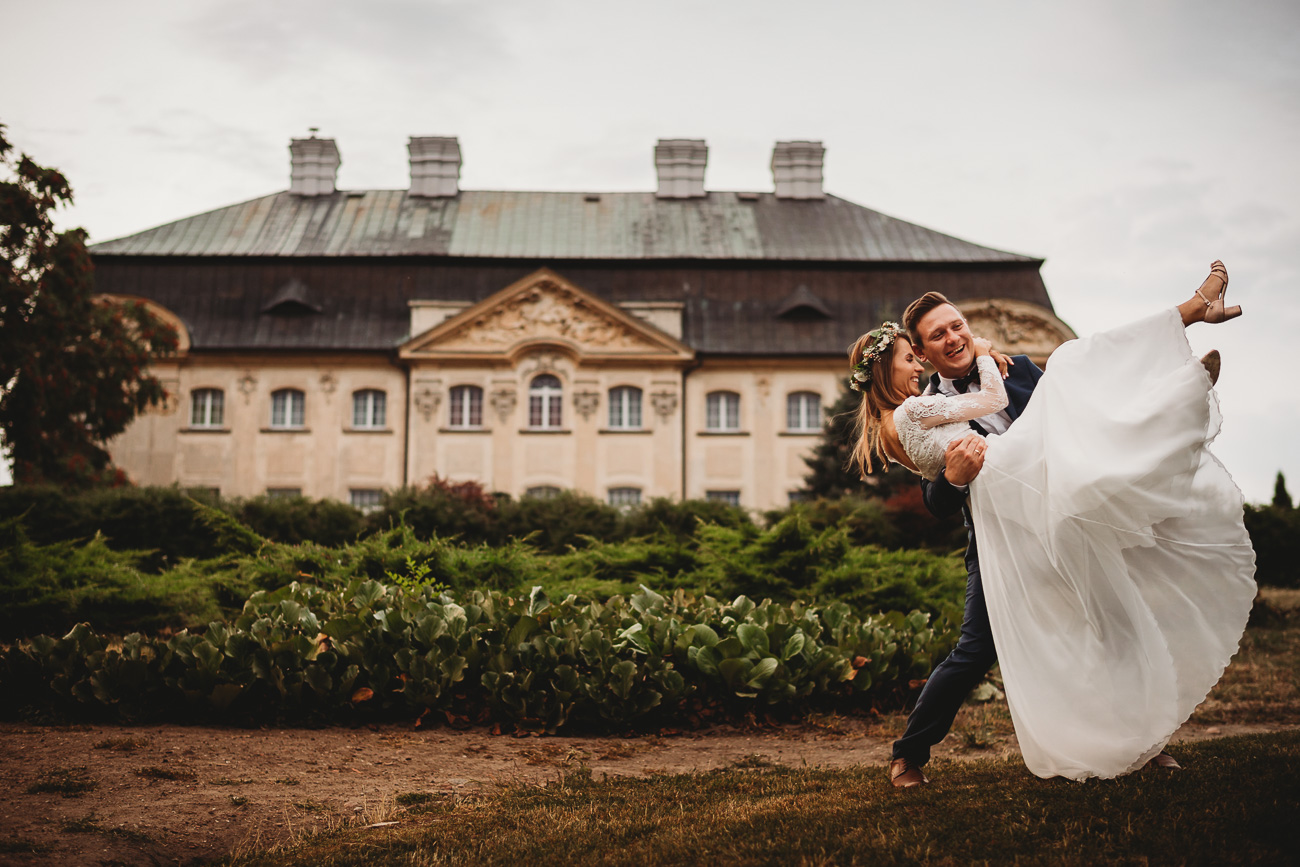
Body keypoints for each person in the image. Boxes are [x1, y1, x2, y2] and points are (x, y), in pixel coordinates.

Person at [846, 262, 1257, 784]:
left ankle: (1147, 746)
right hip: (1003, 542)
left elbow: (1081, 417)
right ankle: (909, 754)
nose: (953, 337)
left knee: (1118, 628)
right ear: (922, 353)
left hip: (1067, 517)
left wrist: (996, 361)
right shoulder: (925, 409)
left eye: (957, 326)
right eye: (937, 335)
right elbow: (938, 502)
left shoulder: (1014, 367)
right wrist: (952, 478)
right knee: (974, 652)